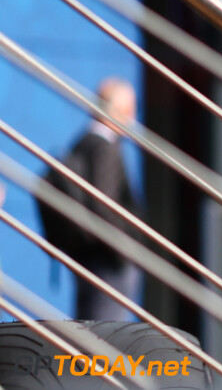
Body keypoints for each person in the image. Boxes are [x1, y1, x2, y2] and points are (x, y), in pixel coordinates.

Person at [72, 77, 142, 321]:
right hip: (107, 264)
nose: (132, 118)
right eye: (128, 110)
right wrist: (123, 252)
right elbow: (105, 204)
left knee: (89, 330)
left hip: (89, 258)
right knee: (104, 336)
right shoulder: (105, 148)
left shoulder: (83, 142)